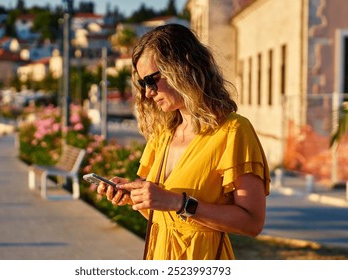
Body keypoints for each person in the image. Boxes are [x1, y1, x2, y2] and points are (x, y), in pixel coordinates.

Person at [97, 23, 270, 260]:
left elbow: (252, 222)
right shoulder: (163, 135)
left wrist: (179, 202)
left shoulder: (233, 131)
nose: (148, 92)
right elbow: (160, 212)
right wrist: (135, 197)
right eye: (142, 84)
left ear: (182, 69)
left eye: (151, 80)